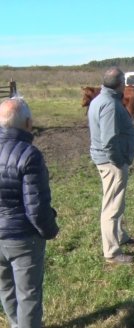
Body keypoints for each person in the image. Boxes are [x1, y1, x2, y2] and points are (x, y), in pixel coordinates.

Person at [0, 97, 59, 328]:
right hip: (22, 237)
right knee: (28, 293)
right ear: (27, 123)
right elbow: (36, 207)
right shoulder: (29, 155)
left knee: (5, 288)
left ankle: (16, 324)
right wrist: (50, 229)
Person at [88, 67, 134, 265]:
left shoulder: (99, 100)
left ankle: (120, 235)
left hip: (107, 160)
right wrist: (119, 162)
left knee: (117, 201)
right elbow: (108, 140)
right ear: (120, 84)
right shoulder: (109, 104)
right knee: (112, 206)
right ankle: (112, 252)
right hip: (111, 162)